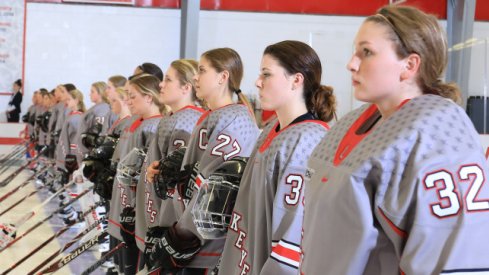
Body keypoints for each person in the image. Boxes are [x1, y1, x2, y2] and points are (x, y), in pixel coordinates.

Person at [300, 5, 489, 275]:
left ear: (410, 65)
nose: (351, 63)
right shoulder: (357, 121)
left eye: (367, 52)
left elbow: (452, 258)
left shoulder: (436, 133)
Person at [217, 40, 336, 275]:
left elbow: (291, 238)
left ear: (296, 80)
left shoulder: (308, 138)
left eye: (266, 74)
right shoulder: (272, 128)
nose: (257, 82)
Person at [148, 48, 260, 274]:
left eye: (202, 70)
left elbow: (216, 191)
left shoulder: (234, 119)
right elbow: (192, 177)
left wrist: (180, 236)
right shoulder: (210, 115)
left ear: (223, 77)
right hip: (191, 236)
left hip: (207, 246)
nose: (196, 77)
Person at [133, 59, 205, 270]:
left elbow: (176, 186)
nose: (161, 85)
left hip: (174, 226)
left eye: (168, 79)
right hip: (163, 218)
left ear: (186, 87)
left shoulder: (184, 120)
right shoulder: (173, 117)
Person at [107, 73, 165, 275]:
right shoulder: (136, 122)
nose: (128, 101)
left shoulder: (154, 125)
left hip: (138, 210)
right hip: (123, 205)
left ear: (149, 97)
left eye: (133, 96)